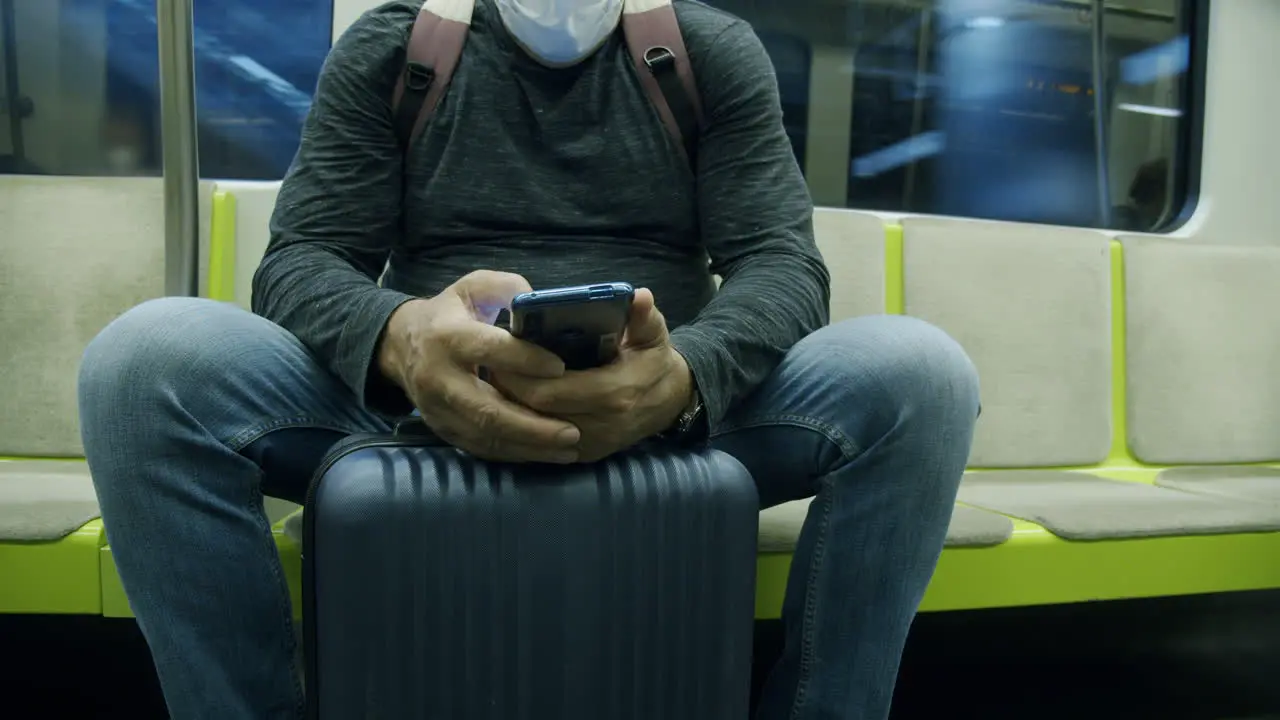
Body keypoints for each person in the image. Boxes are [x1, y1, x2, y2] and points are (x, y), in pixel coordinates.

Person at [77, 0, 980, 718]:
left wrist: (685, 375)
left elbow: (782, 263)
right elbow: (304, 261)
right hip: (416, 411)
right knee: (143, 363)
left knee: (921, 374)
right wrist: (405, 339)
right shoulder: (399, 52)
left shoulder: (705, 53)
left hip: (671, 410)